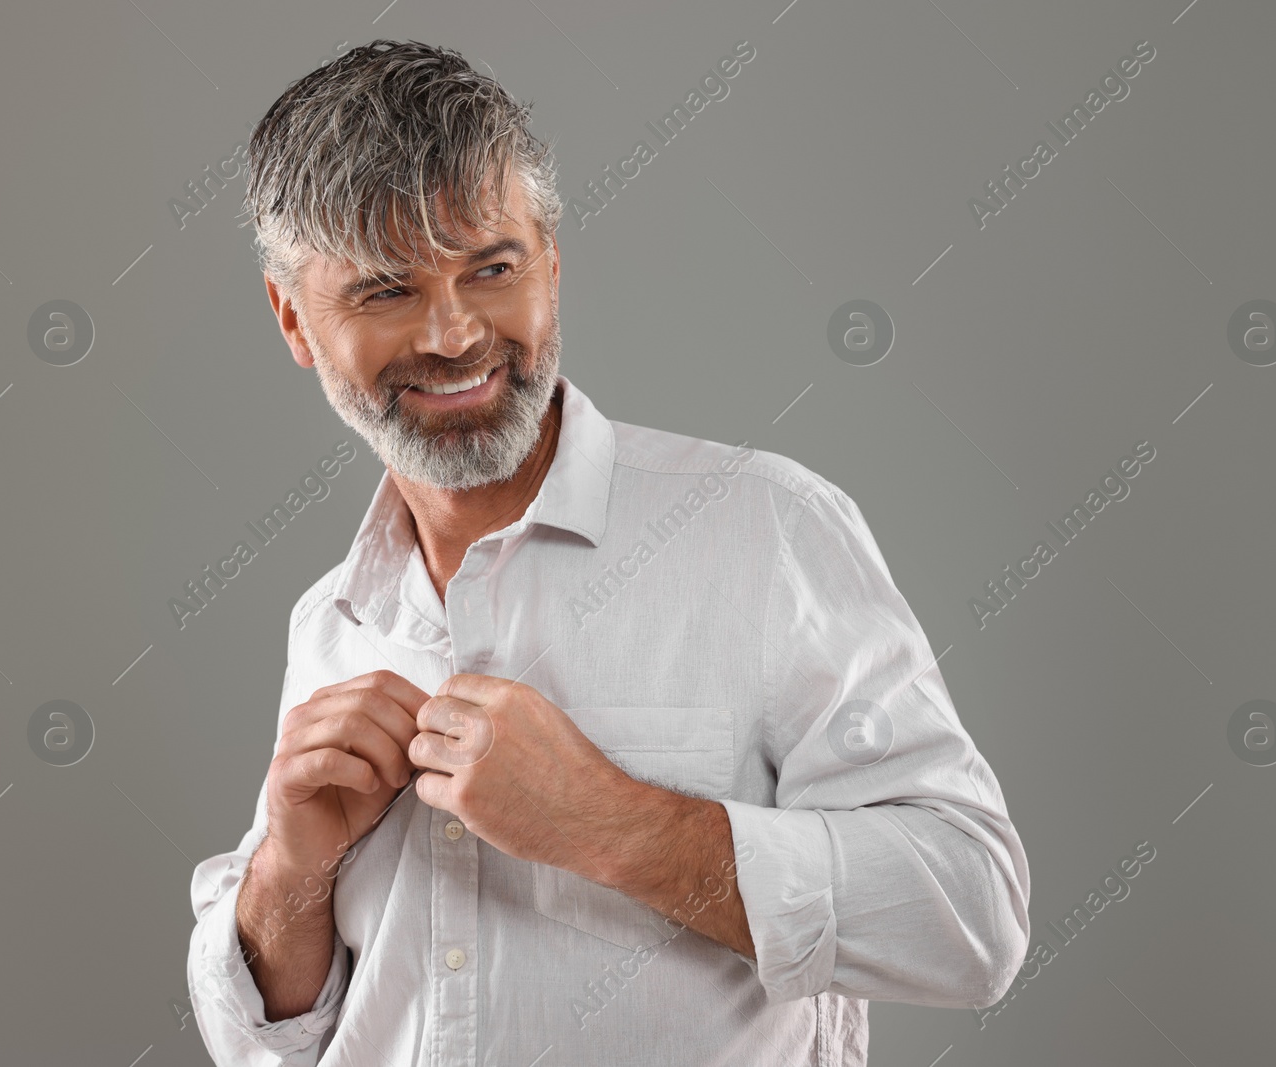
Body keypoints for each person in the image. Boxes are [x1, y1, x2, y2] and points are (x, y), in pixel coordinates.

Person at [186, 38, 1030, 1066]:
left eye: (489, 268)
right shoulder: (333, 621)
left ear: (550, 264)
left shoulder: (763, 530)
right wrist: (290, 870)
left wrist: (613, 822)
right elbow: (281, 1039)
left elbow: (969, 915)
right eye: (384, 290)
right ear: (293, 320)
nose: (453, 334)